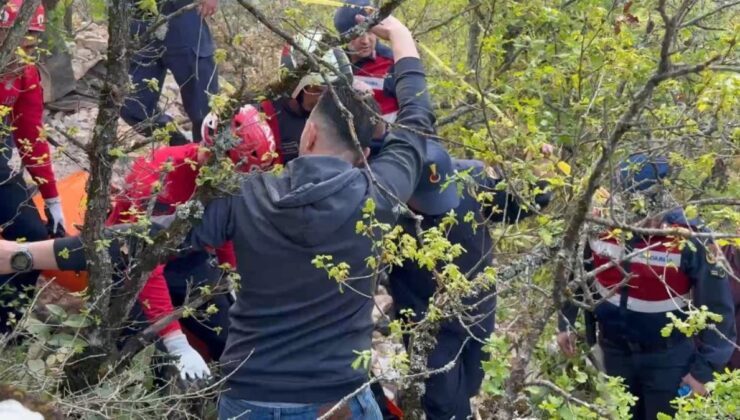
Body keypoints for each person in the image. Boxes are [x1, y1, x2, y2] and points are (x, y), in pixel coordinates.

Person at [0, 15, 432, 419]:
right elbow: (416, 119)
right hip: (335, 398)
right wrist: (398, 33)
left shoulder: (247, 199)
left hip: (251, 395)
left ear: (310, 134)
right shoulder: (382, 194)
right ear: (366, 154)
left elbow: (132, 239)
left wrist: (22, 256)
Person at [556, 154, 736, 420]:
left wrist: (702, 372)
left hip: (669, 359)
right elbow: (578, 276)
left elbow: (719, 309)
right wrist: (566, 322)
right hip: (613, 352)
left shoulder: (688, 236)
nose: (634, 210)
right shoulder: (599, 224)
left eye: (641, 200)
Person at [388, 142, 552, 419]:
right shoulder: (385, 199)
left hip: (478, 310)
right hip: (426, 323)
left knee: (472, 384)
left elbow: (518, 207)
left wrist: (540, 177)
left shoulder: (472, 179)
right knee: (444, 405)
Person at [0, 0, 65, 333]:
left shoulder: (25, 75)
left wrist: (52, 199)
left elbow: (30, 136)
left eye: (31, 43)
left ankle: (5, 325)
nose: (23, 53)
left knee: (33, 237)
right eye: (16, 41)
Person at [121, 0, 219, 145]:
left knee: (204, 109)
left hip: (182, 13)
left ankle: (209, 160)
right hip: (139, 16)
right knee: (132, 108)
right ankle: (183, 148)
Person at [334, 0, 399, 124]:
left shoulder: (392, 62)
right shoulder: (332, 61)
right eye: (357, 33)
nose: (365, 41)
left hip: (386, 139)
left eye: (370, 31)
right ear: (343, 36)